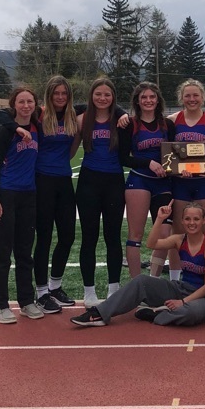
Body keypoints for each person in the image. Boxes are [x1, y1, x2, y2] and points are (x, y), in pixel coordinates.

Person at [0, 75, 80, 313]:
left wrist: (121, 112)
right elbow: (2, 114)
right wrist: (17, 129)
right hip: (41, 180)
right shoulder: (38, 114)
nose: (60, 97)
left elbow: (105, 105)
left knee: (67, 236)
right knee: (43, 237)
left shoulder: (74, 114)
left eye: (64, 93)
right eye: (56, 94)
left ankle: (55, 285)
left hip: (64, 180)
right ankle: (41, 292)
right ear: (49, 96)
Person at [71, 201, 205, 327]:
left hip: (202, 298)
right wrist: (160, 219)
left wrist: (183, 302)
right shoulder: (179, 239)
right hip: (179, 289)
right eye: (188, 219)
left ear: (203, 220)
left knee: (191, 312)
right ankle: (99, 313)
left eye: (196, 219)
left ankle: (156, 315)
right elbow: (151, 243)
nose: (192, 223)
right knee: (141, 281)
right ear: (182, 221)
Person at [0, 87, 45, 324]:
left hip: (28, 196)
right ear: (14, 105)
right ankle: (0, 305)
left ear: (35, 105)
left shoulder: (38, 127)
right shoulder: (6, 132)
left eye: (30, 101)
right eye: (21, 102)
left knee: (24, 253)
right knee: (2, 253)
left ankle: (26, 301)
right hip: (6, 196)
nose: (26, 106)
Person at [75, 77, 129, 307]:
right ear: (92, 96)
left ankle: (113, 289)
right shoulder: (82, 119)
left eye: (107, 94)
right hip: (88, 182)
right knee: (89, 237)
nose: (102, 98)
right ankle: (89, 292)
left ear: (113, 97)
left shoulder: (121, 119)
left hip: (114, 182)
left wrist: (122, 111)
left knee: (113, 237)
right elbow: (68, 148)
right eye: (98, 94)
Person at [167, 79, 205, 275]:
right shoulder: (173, 120)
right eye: (187, 95)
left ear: (202, 97)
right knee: (179, 233)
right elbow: (168, 153)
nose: (192, 99)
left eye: (195, 95)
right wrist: (174, 168)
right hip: (180, 183)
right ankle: (176, 279)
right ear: (181, 98)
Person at [121, 82, 176, 278]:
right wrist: (149, 163)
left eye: (152, 97)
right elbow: (123, 157)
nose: (148, 100)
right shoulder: (130, 124)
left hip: (163, 183)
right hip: (140, 181)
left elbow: (176, 153)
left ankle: (152, 281)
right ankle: (137, 285)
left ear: (158, 100)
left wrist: (175, 169)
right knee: (135, 236)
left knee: (164, 236)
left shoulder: (167, 124)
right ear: (137, 100)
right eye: (144, 97)